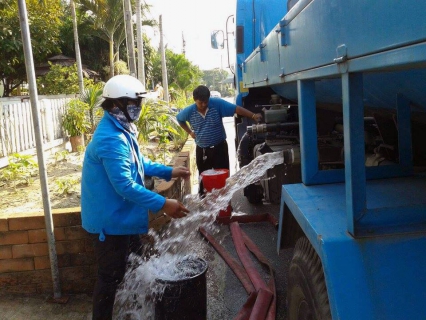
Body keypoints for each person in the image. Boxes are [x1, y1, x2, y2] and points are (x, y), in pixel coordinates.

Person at [81, 74, 190, 320]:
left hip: (122, 218)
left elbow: (139, 163)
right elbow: (125, 186)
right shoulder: (110, 139)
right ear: (117, 104)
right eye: (135, 104)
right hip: (109, 224)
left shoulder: (121, 129)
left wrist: (169, 170)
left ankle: (136, 310)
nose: (139, 108)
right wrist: (164, 203)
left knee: (136, 265)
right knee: (110, 277)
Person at [176, 85, 262, 195]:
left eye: (205, 102)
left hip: (219, 148)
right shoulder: (189, 111)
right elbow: (179, 119)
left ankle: (225, 206)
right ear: (194, 100)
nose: (203, 105)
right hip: (202, 151)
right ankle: (205, 206)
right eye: (200, 103)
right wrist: (190, 132)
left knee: (223, 179)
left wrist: (253, 115)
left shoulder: (217, 104)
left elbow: (236, 109)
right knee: (204, 180)